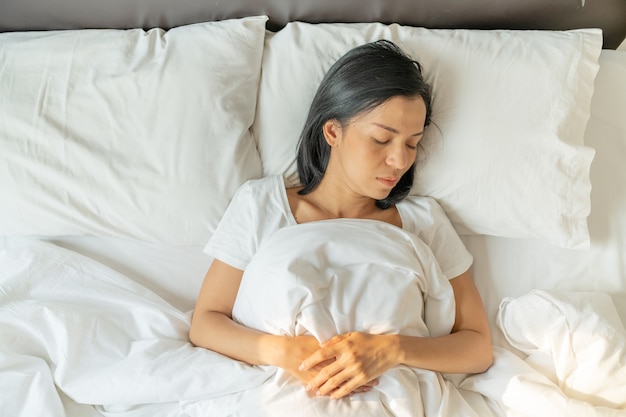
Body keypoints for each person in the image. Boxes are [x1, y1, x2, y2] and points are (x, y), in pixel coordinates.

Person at [189, 39, 493, 400]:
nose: (400, 160)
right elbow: (206, 322)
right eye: (382, 139)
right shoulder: (262, 205)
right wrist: (284, 352)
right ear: (333, 131)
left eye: (413, 144)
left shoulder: (423, 221)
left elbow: (477, 347)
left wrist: (392, 349)